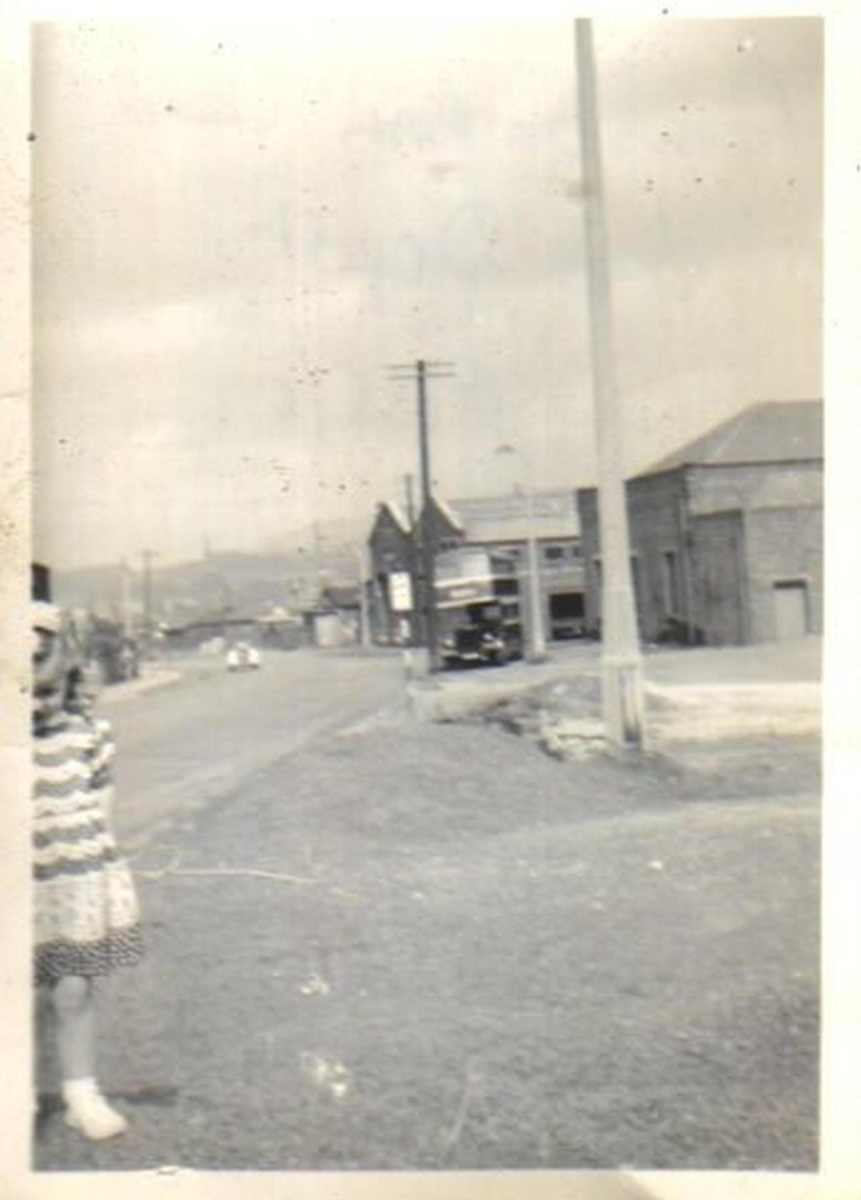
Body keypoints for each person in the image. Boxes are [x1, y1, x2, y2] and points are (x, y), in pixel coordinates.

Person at [32, 600, 143, 1139]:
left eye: (48, 689)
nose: (38, 703)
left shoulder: (89, 735)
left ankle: (81, 1091)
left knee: (72, 988)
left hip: (72, 880)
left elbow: (102, 813)